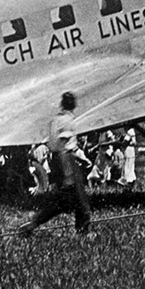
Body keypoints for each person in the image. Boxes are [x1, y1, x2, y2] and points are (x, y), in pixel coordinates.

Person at [16, 92, 92, 236]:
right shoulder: (67, 121)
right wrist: (68, 173)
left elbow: (56, 144)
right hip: (66, 160)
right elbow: (64, 145)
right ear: (73, 104)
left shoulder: (56, 120)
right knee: (79, 199)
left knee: (66, 200)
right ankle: (83, 231)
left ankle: (33, 223)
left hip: (58, 159)